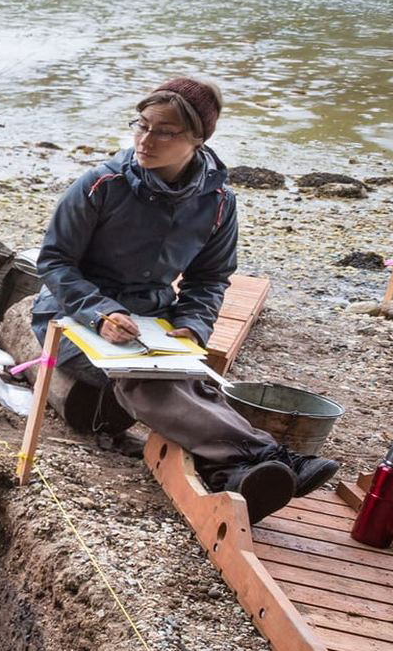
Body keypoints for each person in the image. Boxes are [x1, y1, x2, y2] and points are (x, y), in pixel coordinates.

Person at [32, 77, 338, 521]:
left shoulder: (217, 202)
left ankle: (229, 476)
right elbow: (55, 262)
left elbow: (210, 278)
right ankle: (265, 455)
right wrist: (101, 313)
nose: (145, 139)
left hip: (151, 320)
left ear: (198, 138)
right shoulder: (101, 185)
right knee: (140, 378)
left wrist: (194, 326)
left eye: (164, 131)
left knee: (185, 376)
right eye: (141, 125)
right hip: (69, 316)